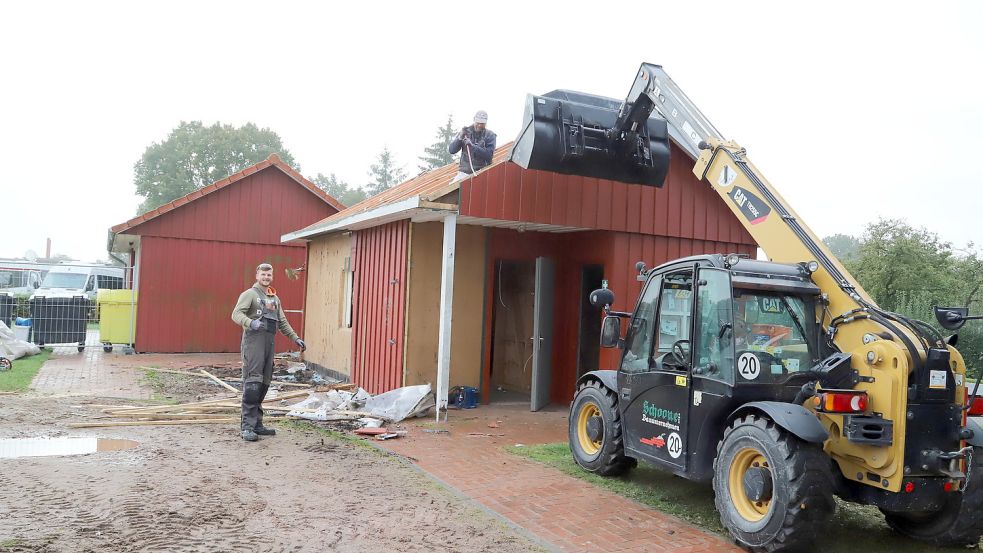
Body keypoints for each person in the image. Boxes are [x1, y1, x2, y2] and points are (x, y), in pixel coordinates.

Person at [231, 263, 306, 441]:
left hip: (269, 345)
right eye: (263, 274)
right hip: (254, 344)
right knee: (253, 383)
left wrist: (295, 338)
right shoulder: (250, 294)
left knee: (264, 383)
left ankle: (257, 423)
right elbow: (235, 314)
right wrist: (250, 323)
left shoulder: (274, 299)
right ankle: (247, 427)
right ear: (257, 275)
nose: (266, 277)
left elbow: (282, 322)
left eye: (269, 275)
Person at [448, 110, 497, 182]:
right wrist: (460, 138)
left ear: (486, 123)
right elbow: (452, 150)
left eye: (482, 123)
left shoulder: (490, 135)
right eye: (478, 122)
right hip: (464, 173)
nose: (480, 125)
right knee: (454, 188)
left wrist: (473, 147)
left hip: (482, 172)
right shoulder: (465, 132)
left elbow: (489, 155)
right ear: (474, 120)